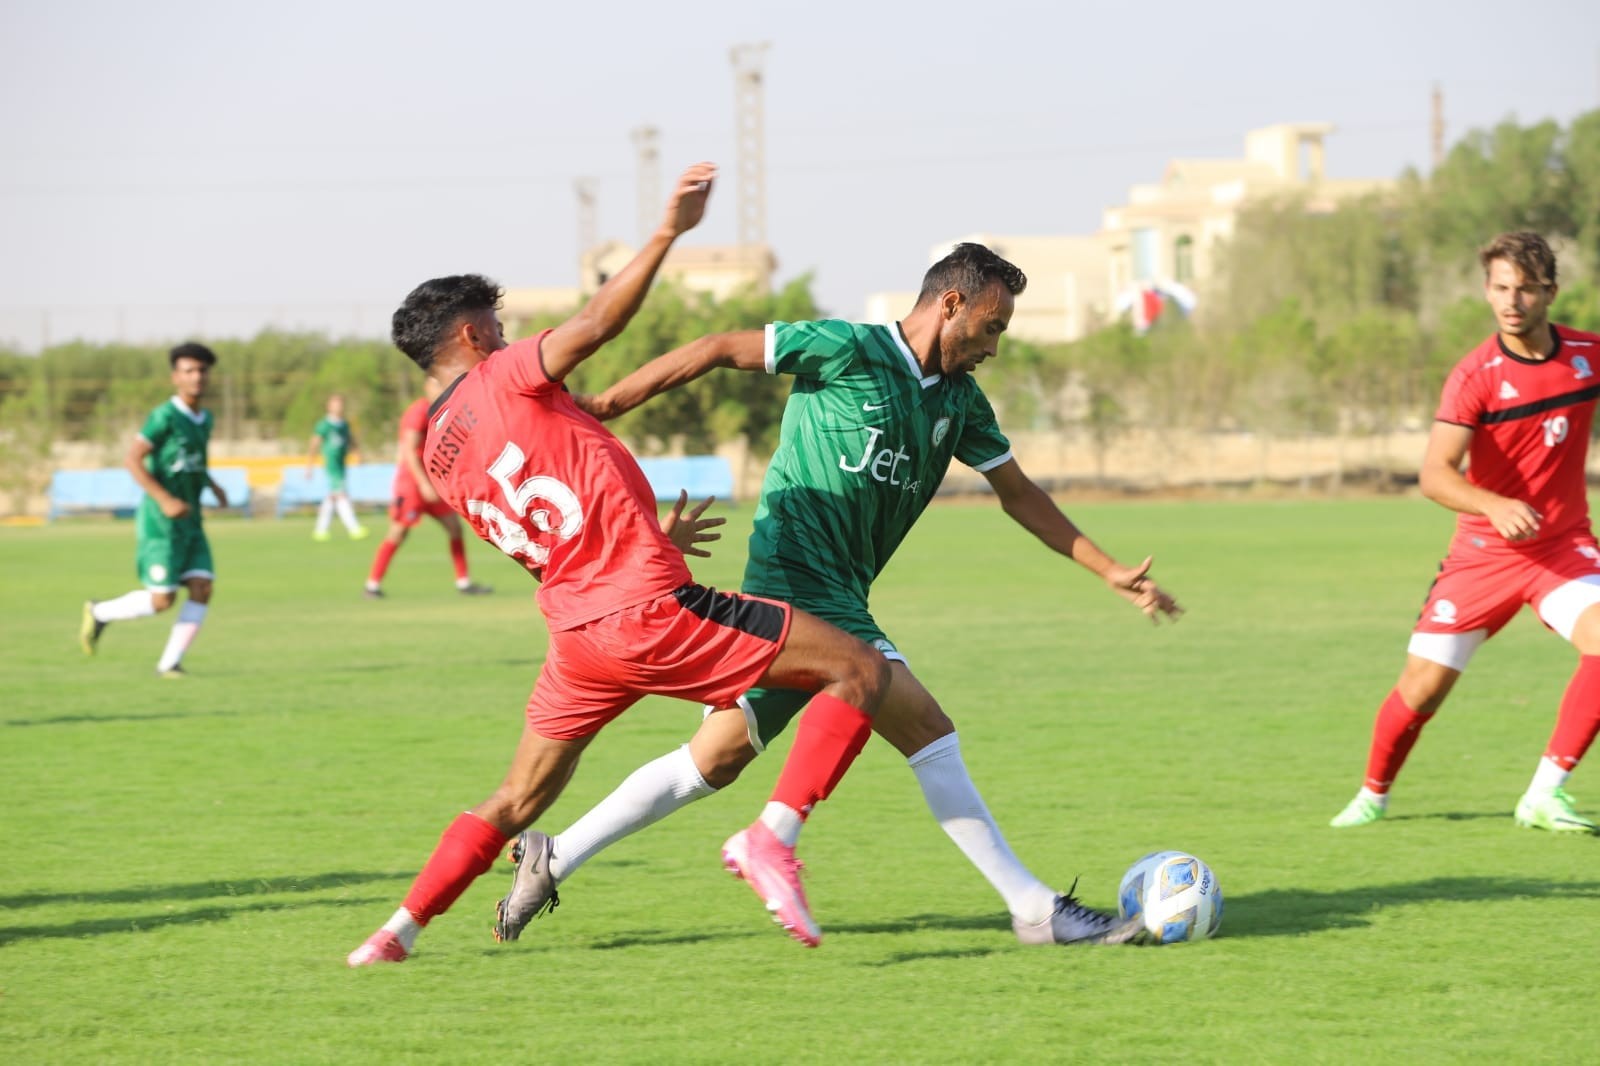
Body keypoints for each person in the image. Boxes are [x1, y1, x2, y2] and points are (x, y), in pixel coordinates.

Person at [491, 241, 1179, 950]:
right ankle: (1027, 908)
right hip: (794, 575)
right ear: (951, 304)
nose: (994, 347)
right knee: (924, 727)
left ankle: (553, 856)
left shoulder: (960, 403)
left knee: (715, 758)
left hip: (845, 588)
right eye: (991, 326)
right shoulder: (847, 349)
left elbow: (1019, 494)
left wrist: (1107, 569)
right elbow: (718, 347)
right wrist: (607, 403)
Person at [347, 163, 892, 966]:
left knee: (516, 797)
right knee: (860, 669)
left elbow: (545, 538)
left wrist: (646, 537)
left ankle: (395, 932)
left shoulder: (438, 452)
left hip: (578, 638)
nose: (508, 337)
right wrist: (670, 230)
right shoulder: (504, 374)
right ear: (471, 337)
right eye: (497, 326)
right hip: (647, 612)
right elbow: (600, 321)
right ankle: (772, 840)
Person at [1331, 231, 1600, 834]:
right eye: (1500, 288)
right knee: (1422, 689)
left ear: (1551, 292)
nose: (1511, 302)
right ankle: (1373, 794)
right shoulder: (1474, 375)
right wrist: (1493, 505)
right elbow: (1434, 474)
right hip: (1483, 556)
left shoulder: (1588, 353)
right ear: (1487, 291)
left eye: (1525, 289)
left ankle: (1544, 794)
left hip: (1562, 548)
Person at [79, 342, 229, 677]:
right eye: (189, 370)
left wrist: (213, 485)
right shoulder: (164, 416)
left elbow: (192, 462)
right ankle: (100, 612)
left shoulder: (205, 419)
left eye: (202, 370)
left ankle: (170, 663)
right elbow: (133, 459)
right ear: (176, 377)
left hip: (191, 520)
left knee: (203, 587)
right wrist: (164, 499)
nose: (197, 377)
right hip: (161, 523)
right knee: (163, 600)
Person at [362, 394, 491, 597]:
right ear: (430, 383)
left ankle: (463, 582)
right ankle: (372, 585)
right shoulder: (419, 411)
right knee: (398, 533)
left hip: (432, 483)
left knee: (455, 528)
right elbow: (409, 450)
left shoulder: (446, 408)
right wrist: (422, 483)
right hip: (412, 485)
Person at [306, 393, 369, 541]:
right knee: (341, 495)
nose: (338, 407)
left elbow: (350, 440)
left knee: (332, 497)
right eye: (335, 404)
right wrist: (309, 466)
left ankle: (320, 530)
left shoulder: (344, 425)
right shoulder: (324, 425)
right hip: (331, 464)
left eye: (340, 405)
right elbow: (314, 444)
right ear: (329, 407)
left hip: (341, 464)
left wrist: (357, 453)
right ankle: (354, 529)